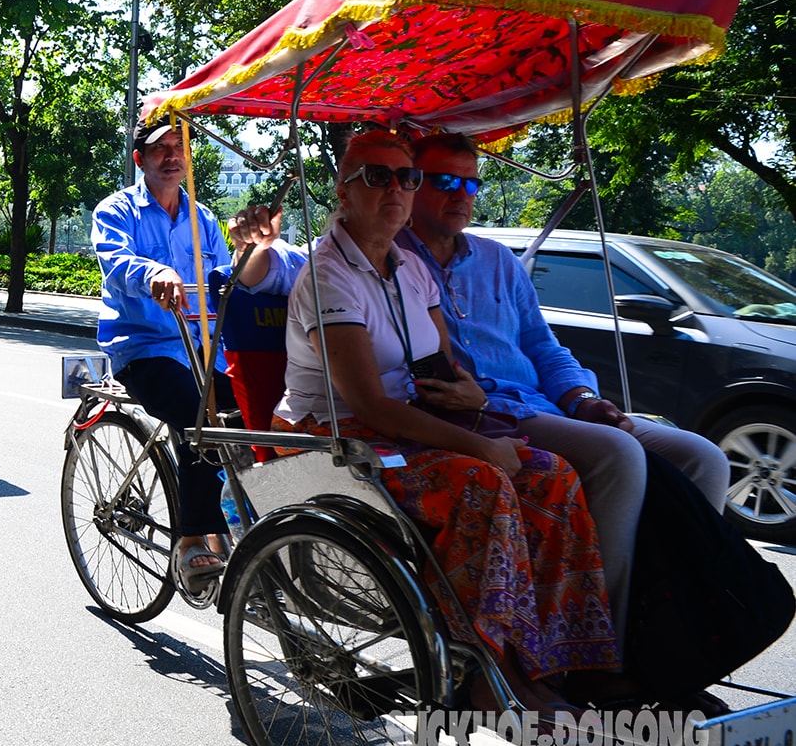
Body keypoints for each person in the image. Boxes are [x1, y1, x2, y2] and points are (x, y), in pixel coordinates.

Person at [270, 130, 618, 713]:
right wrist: (479, 449)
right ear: (343, 191)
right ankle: (483, 672)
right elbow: (374, 406)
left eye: (407, 177)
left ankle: (563, 664)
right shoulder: (327, 275)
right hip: (333, 436)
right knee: (481, 485)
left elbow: (444, 361)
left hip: (410, 424)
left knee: (553, 476)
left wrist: (472, 399)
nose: (397, 190)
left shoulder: (411, 268)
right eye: (377, 176)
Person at [398, 131, 729, 644]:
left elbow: (543, 344)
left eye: (470, 183)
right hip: (487, 413)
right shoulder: (389, 262)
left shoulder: (498, 261)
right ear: (412, 184)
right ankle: (610, 646)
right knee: (618, 454)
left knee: (703, 457)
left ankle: (683, 623)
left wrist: (582, 398)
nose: (460, 194)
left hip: (545, 403)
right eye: (443, 181)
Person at [93, 116, 303, 593]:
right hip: (144, 348)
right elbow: (118, 261)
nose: (171, 156)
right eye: (160, 148)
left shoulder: (203, 219)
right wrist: (152, 274)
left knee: (257, 414)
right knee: (199, 416)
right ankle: (191, 541)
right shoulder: (116, 210)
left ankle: (250, 524)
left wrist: (253, 247)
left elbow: (228, 278)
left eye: (178, 148)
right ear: (139, 159)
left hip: (205, 348)